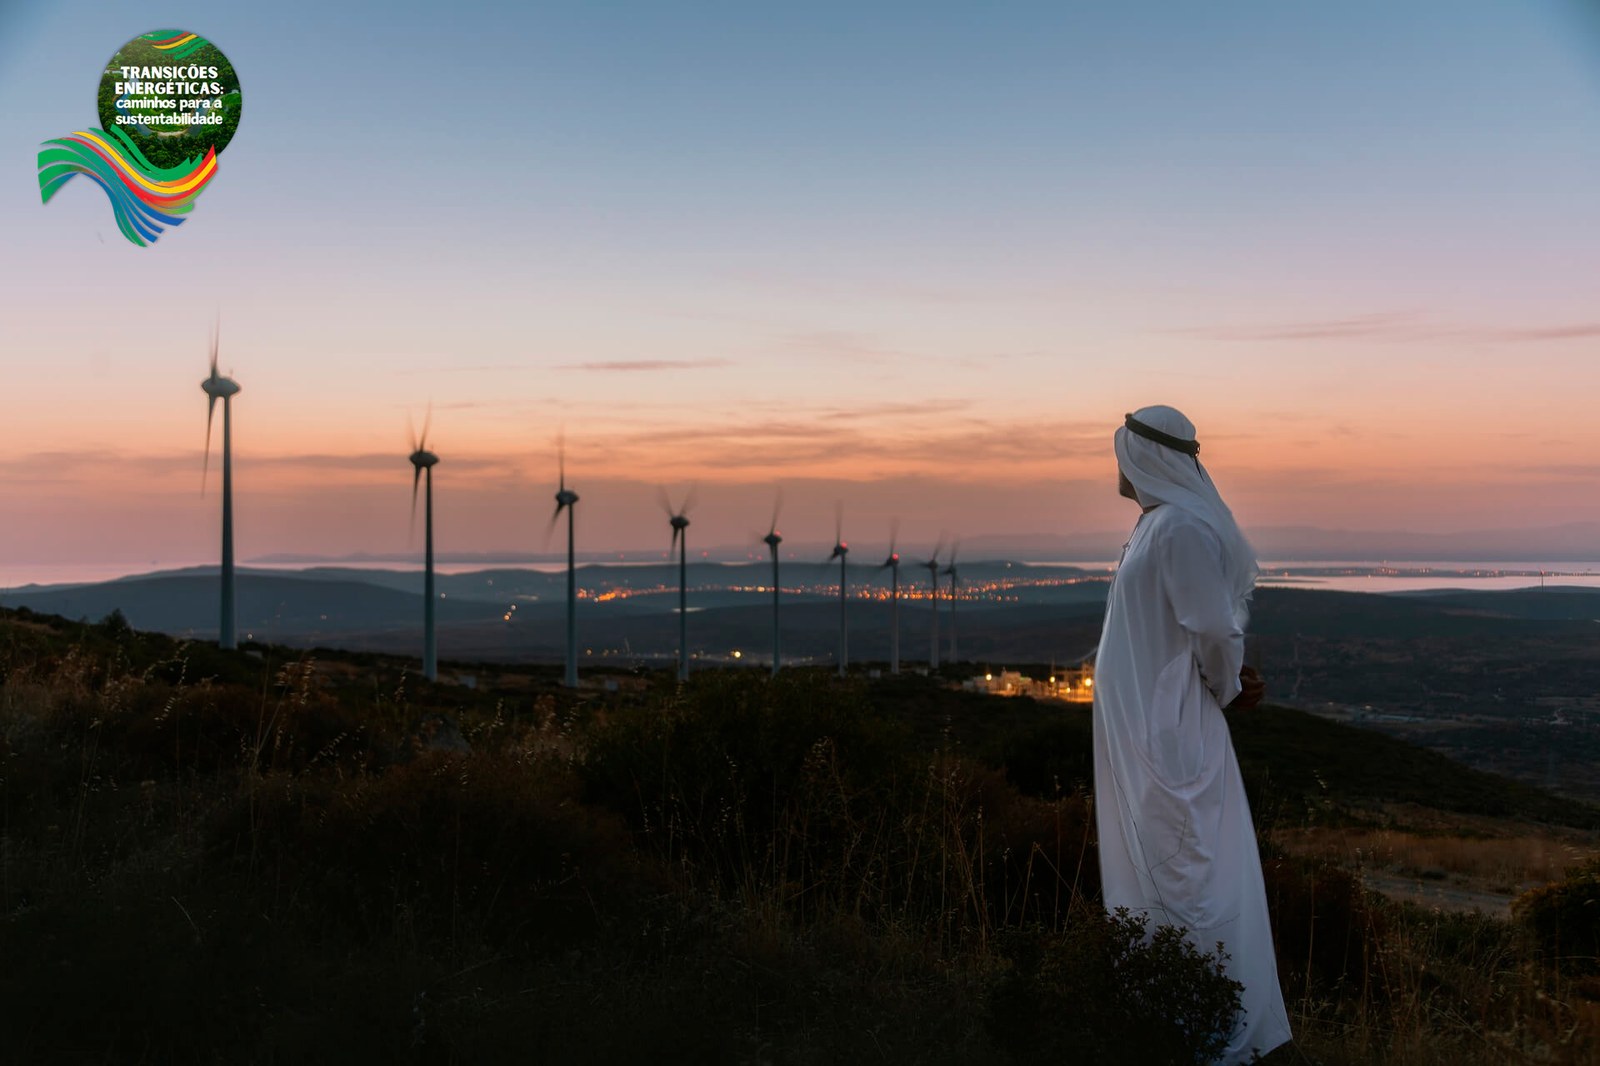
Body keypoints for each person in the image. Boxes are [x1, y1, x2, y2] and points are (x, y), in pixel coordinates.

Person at [1092, 404, 1291, 1063]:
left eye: (1121, 452)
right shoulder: (1158, 526)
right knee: (1166, 870)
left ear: (1144, 457)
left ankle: (1212, 1030)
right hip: (1151, 731)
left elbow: (1212, 628)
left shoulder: (1177, 528)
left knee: (1187, 874)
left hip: (1169, 738)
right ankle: (1174, 1014)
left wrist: (1229, 687)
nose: (1115, 464)